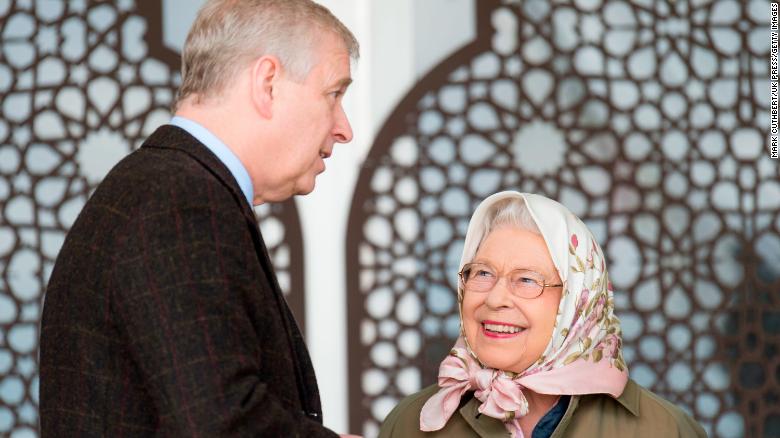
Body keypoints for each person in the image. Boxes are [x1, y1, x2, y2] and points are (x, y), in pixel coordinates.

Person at [39, 0, 361, 436]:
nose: (344, 128)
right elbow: (218, 422)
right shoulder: (180, 201)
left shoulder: (163, 188)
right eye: (334, 93)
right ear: (268, 82)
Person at [379, 192, 706, 438]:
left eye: (526, 280)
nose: (495, 298)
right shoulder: (412, 423)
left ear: (577, 306)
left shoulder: (662, 429)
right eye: (482, 274)